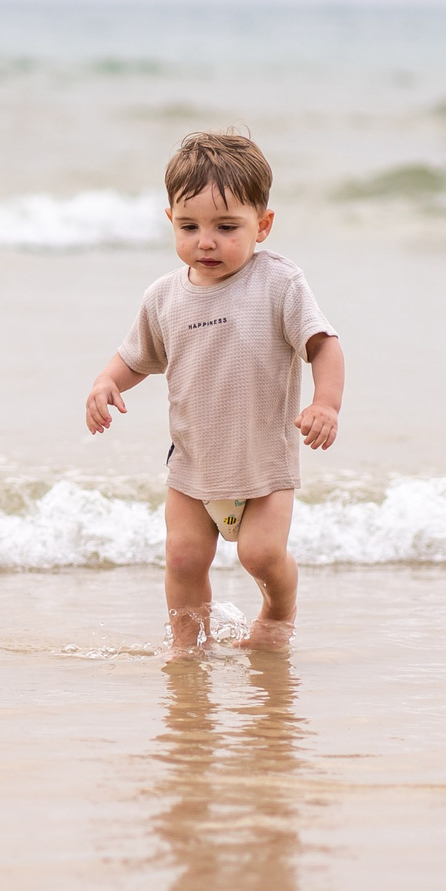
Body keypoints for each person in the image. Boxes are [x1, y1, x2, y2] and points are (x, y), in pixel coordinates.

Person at [84, 131, 345, 652]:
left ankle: (278, 612)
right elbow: (135, 356)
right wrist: (106, 382)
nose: (206, 241)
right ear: (170, 221)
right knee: (183, 558)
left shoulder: (279, 284)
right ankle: (189, 644)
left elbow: (324, 345)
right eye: (189, 226)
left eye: (226, 227)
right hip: (193, 464)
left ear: (262, 225)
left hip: (264, 463)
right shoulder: (163, 296)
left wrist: (325, 404)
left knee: (260, 556)